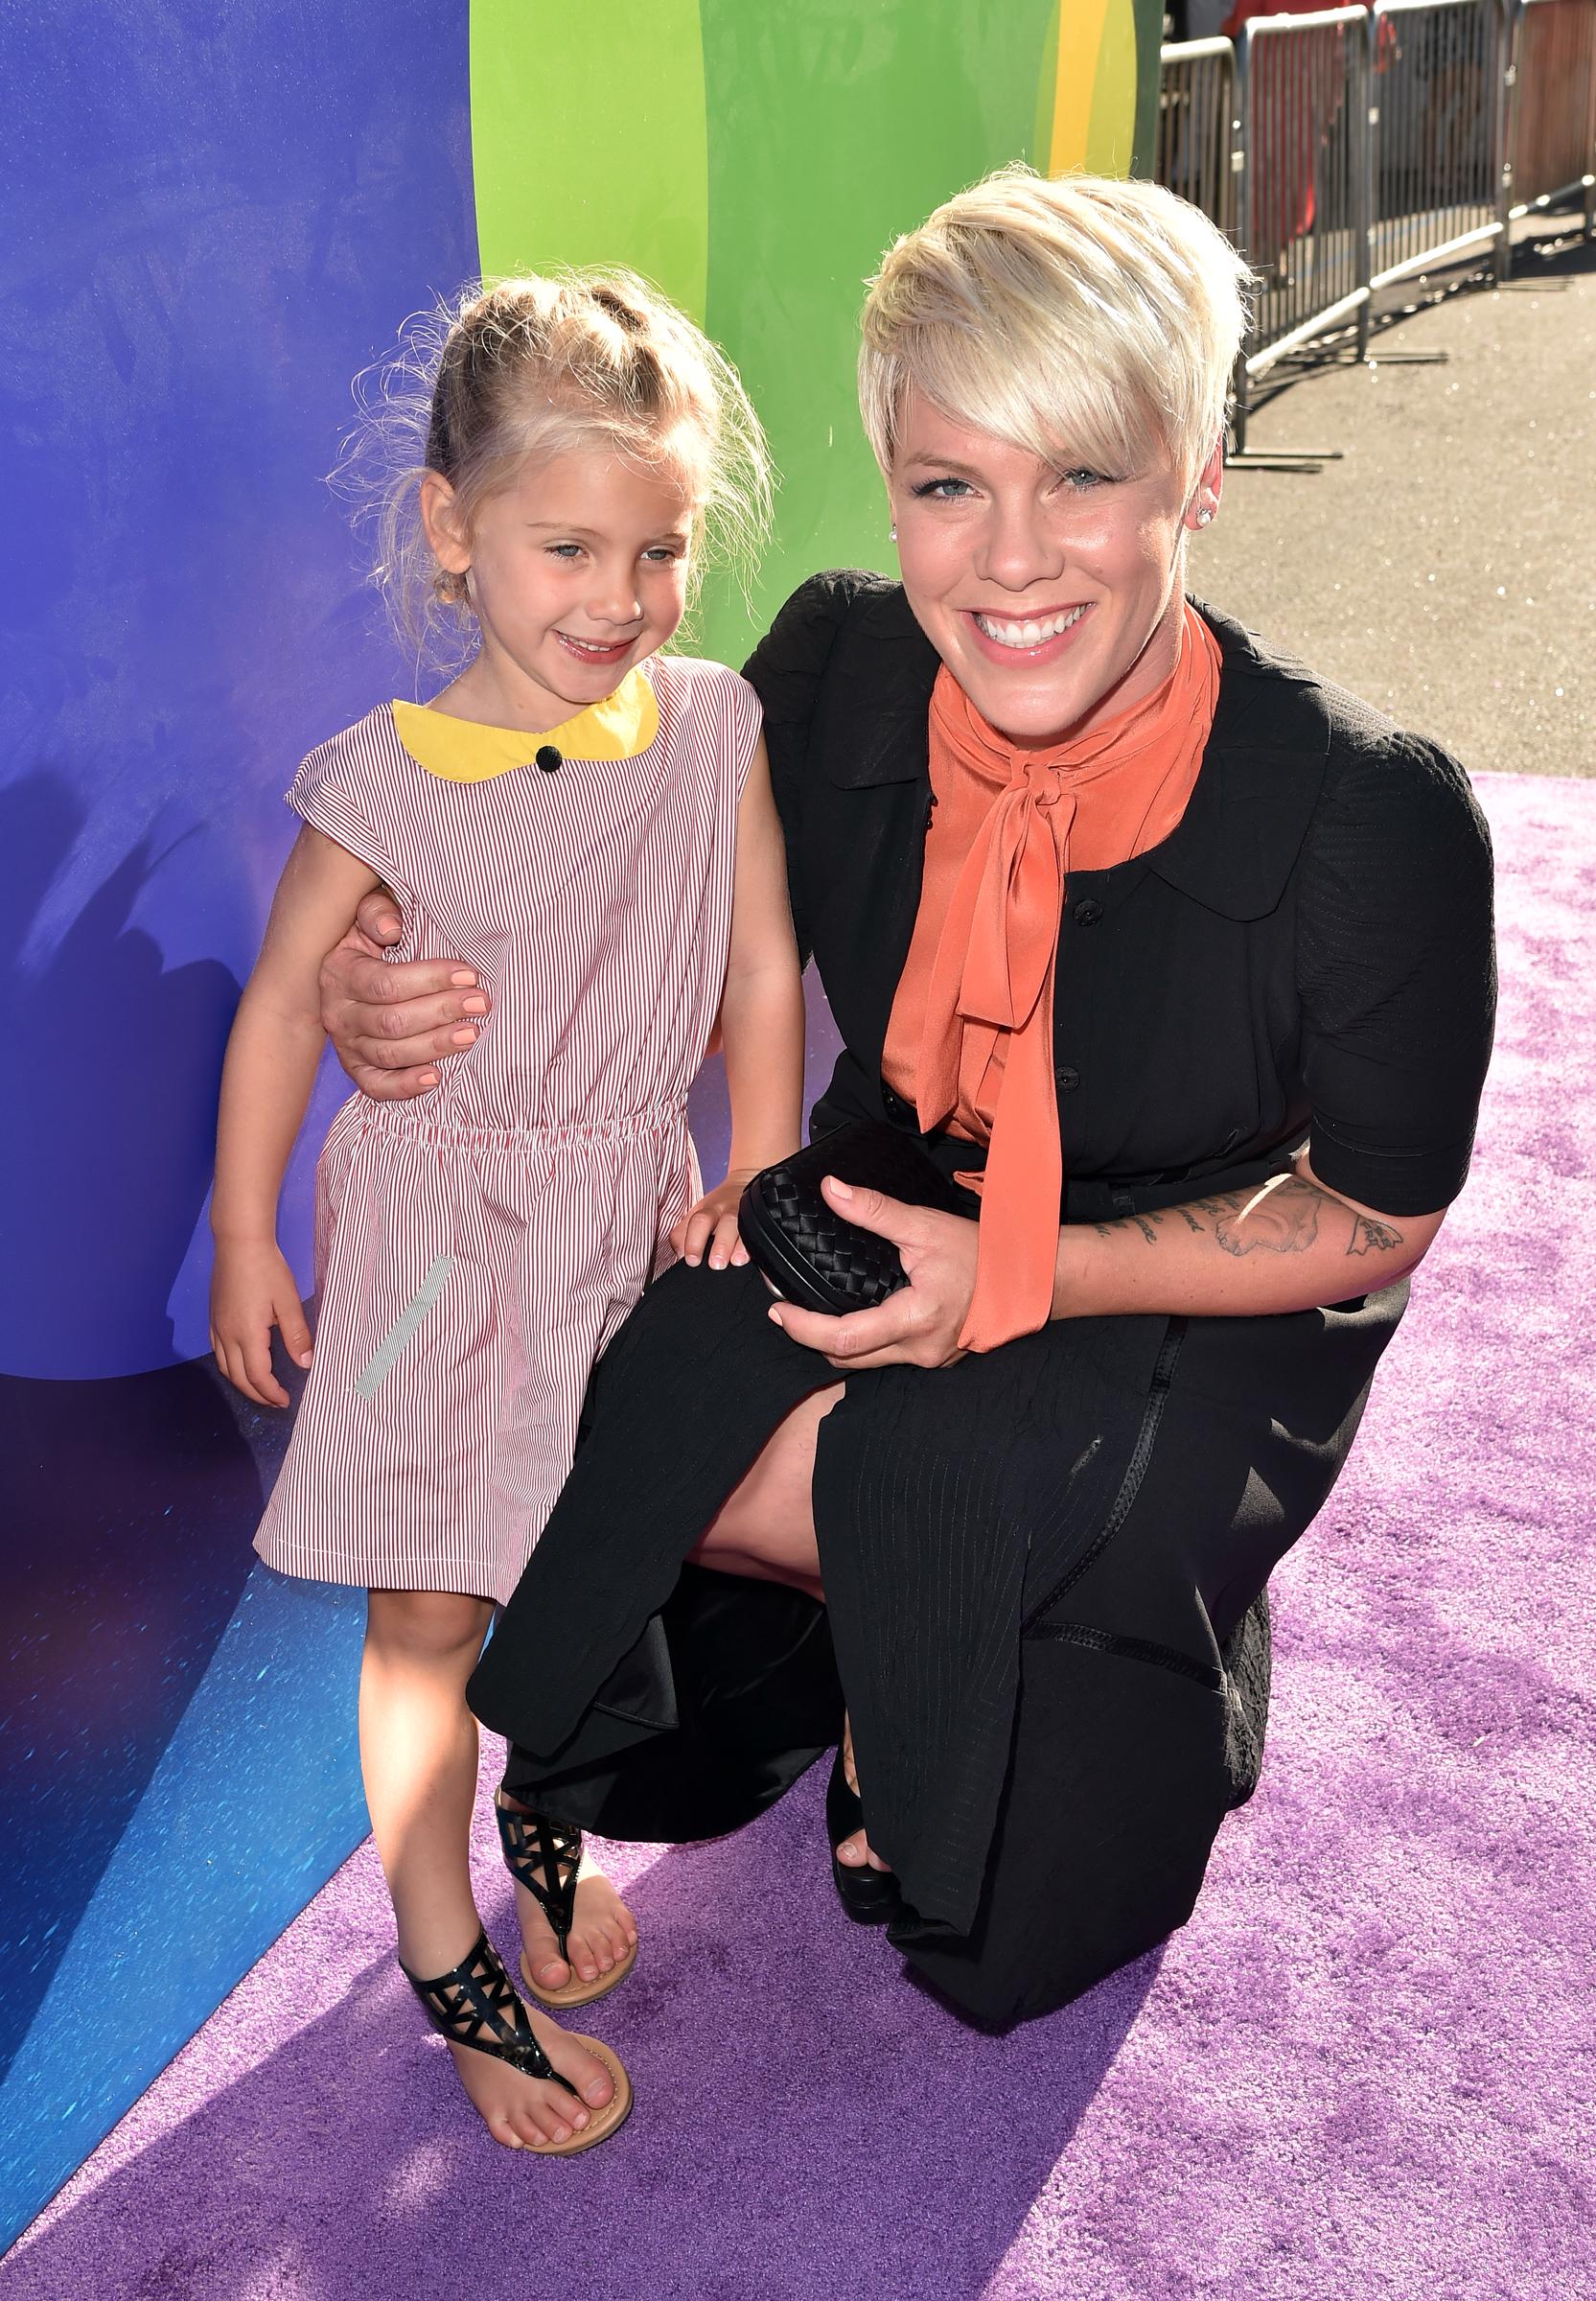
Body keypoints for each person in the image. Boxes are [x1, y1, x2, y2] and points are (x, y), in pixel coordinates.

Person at [318, 170, 1495, 2030]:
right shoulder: (836, 665)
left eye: (1081, 475)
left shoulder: (1368, 813)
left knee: (968, 1730)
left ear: (1197, 470)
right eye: (952, 485)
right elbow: (609, 881)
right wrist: (379, 976)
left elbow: (1375, 1213)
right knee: (600, 1384)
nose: (1009, 561)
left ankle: (1109, 1629)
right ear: (891, 484)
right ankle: (872, 1633)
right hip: (899, 1179)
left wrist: (1026, 1280)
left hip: (1196, 1264)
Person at [209, 271, 801, 2149]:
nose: (619, 600)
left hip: (626, 1213)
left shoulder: (712, 727)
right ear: (452, 531)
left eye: (661, 550)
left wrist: (757, 1159)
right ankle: (443, 1952)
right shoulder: (378, 785)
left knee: (595, 1561)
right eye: (569, 549)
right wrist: (246, 1237)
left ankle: (549, 1816)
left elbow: (760, 967)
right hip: (433, 1258)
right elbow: (283, 1006)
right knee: (426, 1614)